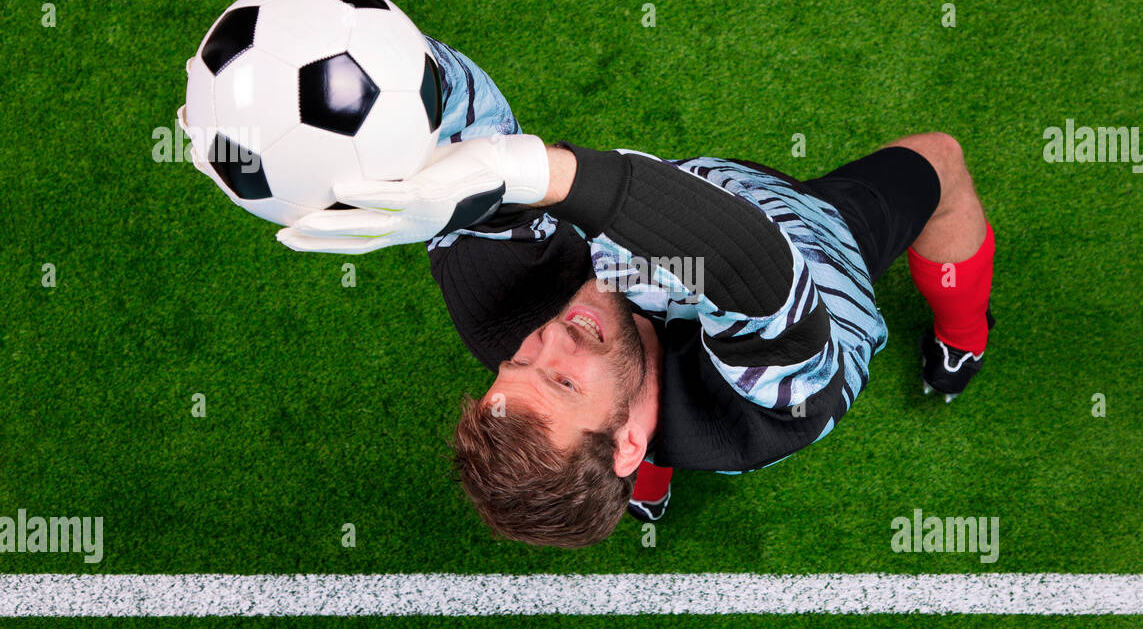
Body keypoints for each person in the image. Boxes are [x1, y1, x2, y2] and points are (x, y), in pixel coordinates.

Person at [277, 132, 996, 548]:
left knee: (616, 366)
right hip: (817, 242)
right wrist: (543, 173)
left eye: (518, 362)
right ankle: (962, 336)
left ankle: (645, 485)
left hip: (644, 378)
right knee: (939, 160)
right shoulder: (780, 406)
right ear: (620, 439)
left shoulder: (515, 324)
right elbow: (748, 262)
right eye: (561, 380)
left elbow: (451, 127)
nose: (546, 338)